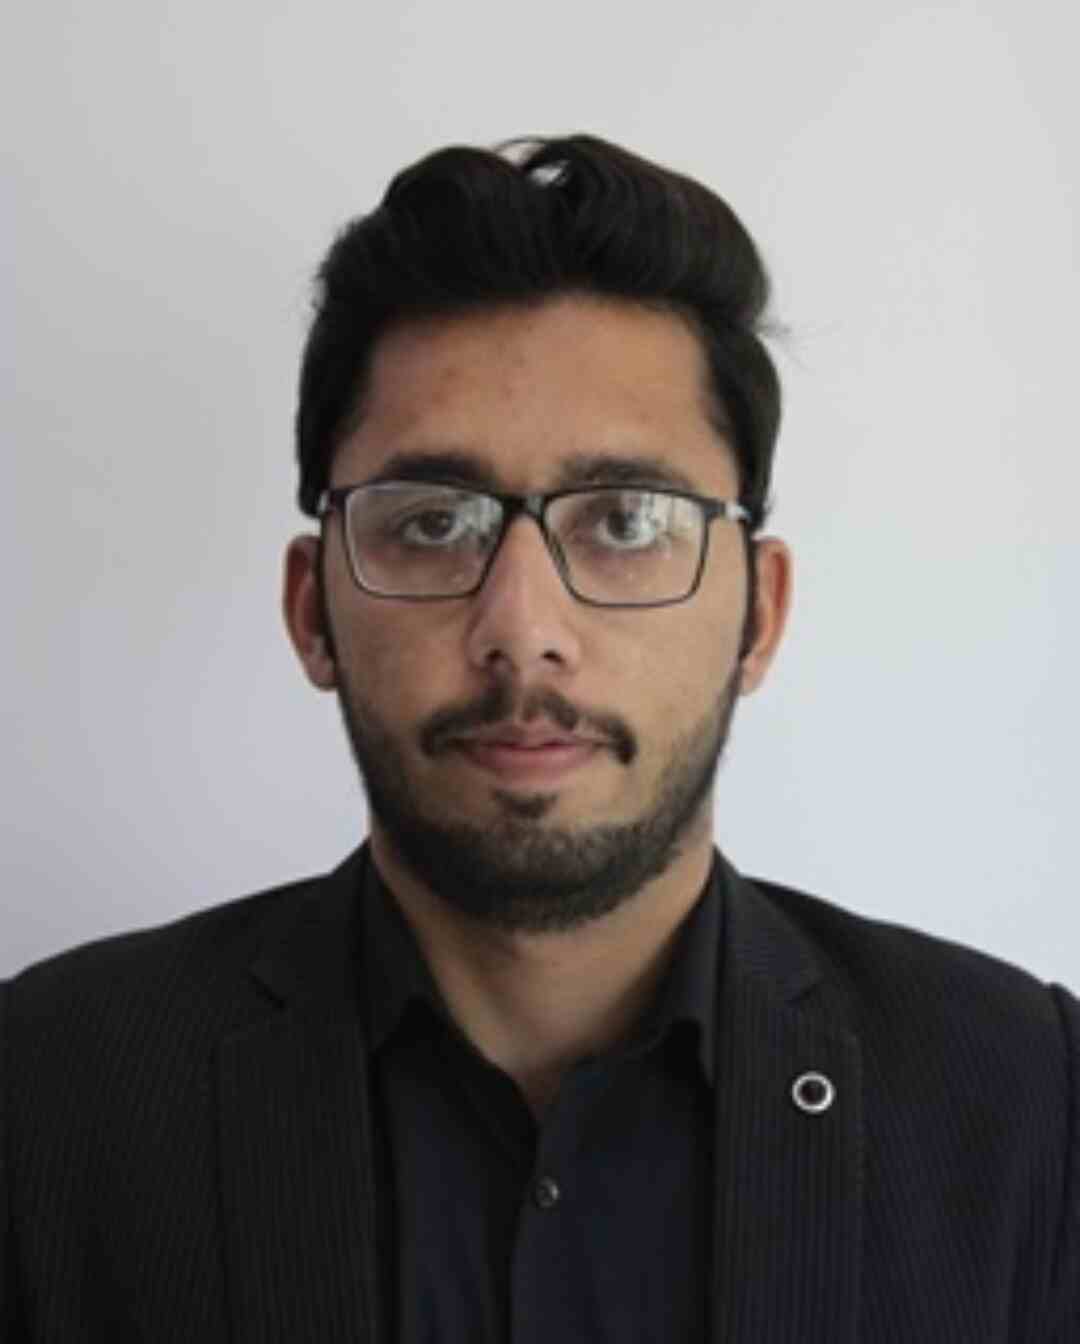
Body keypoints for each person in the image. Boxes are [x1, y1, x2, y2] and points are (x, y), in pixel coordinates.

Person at [2, 134, 1076, 1343]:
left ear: (758, 615)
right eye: (432, 522)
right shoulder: (49, 1096)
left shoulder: (1027, 1105)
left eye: (627, 521)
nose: (522, 630)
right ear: (312, 612)